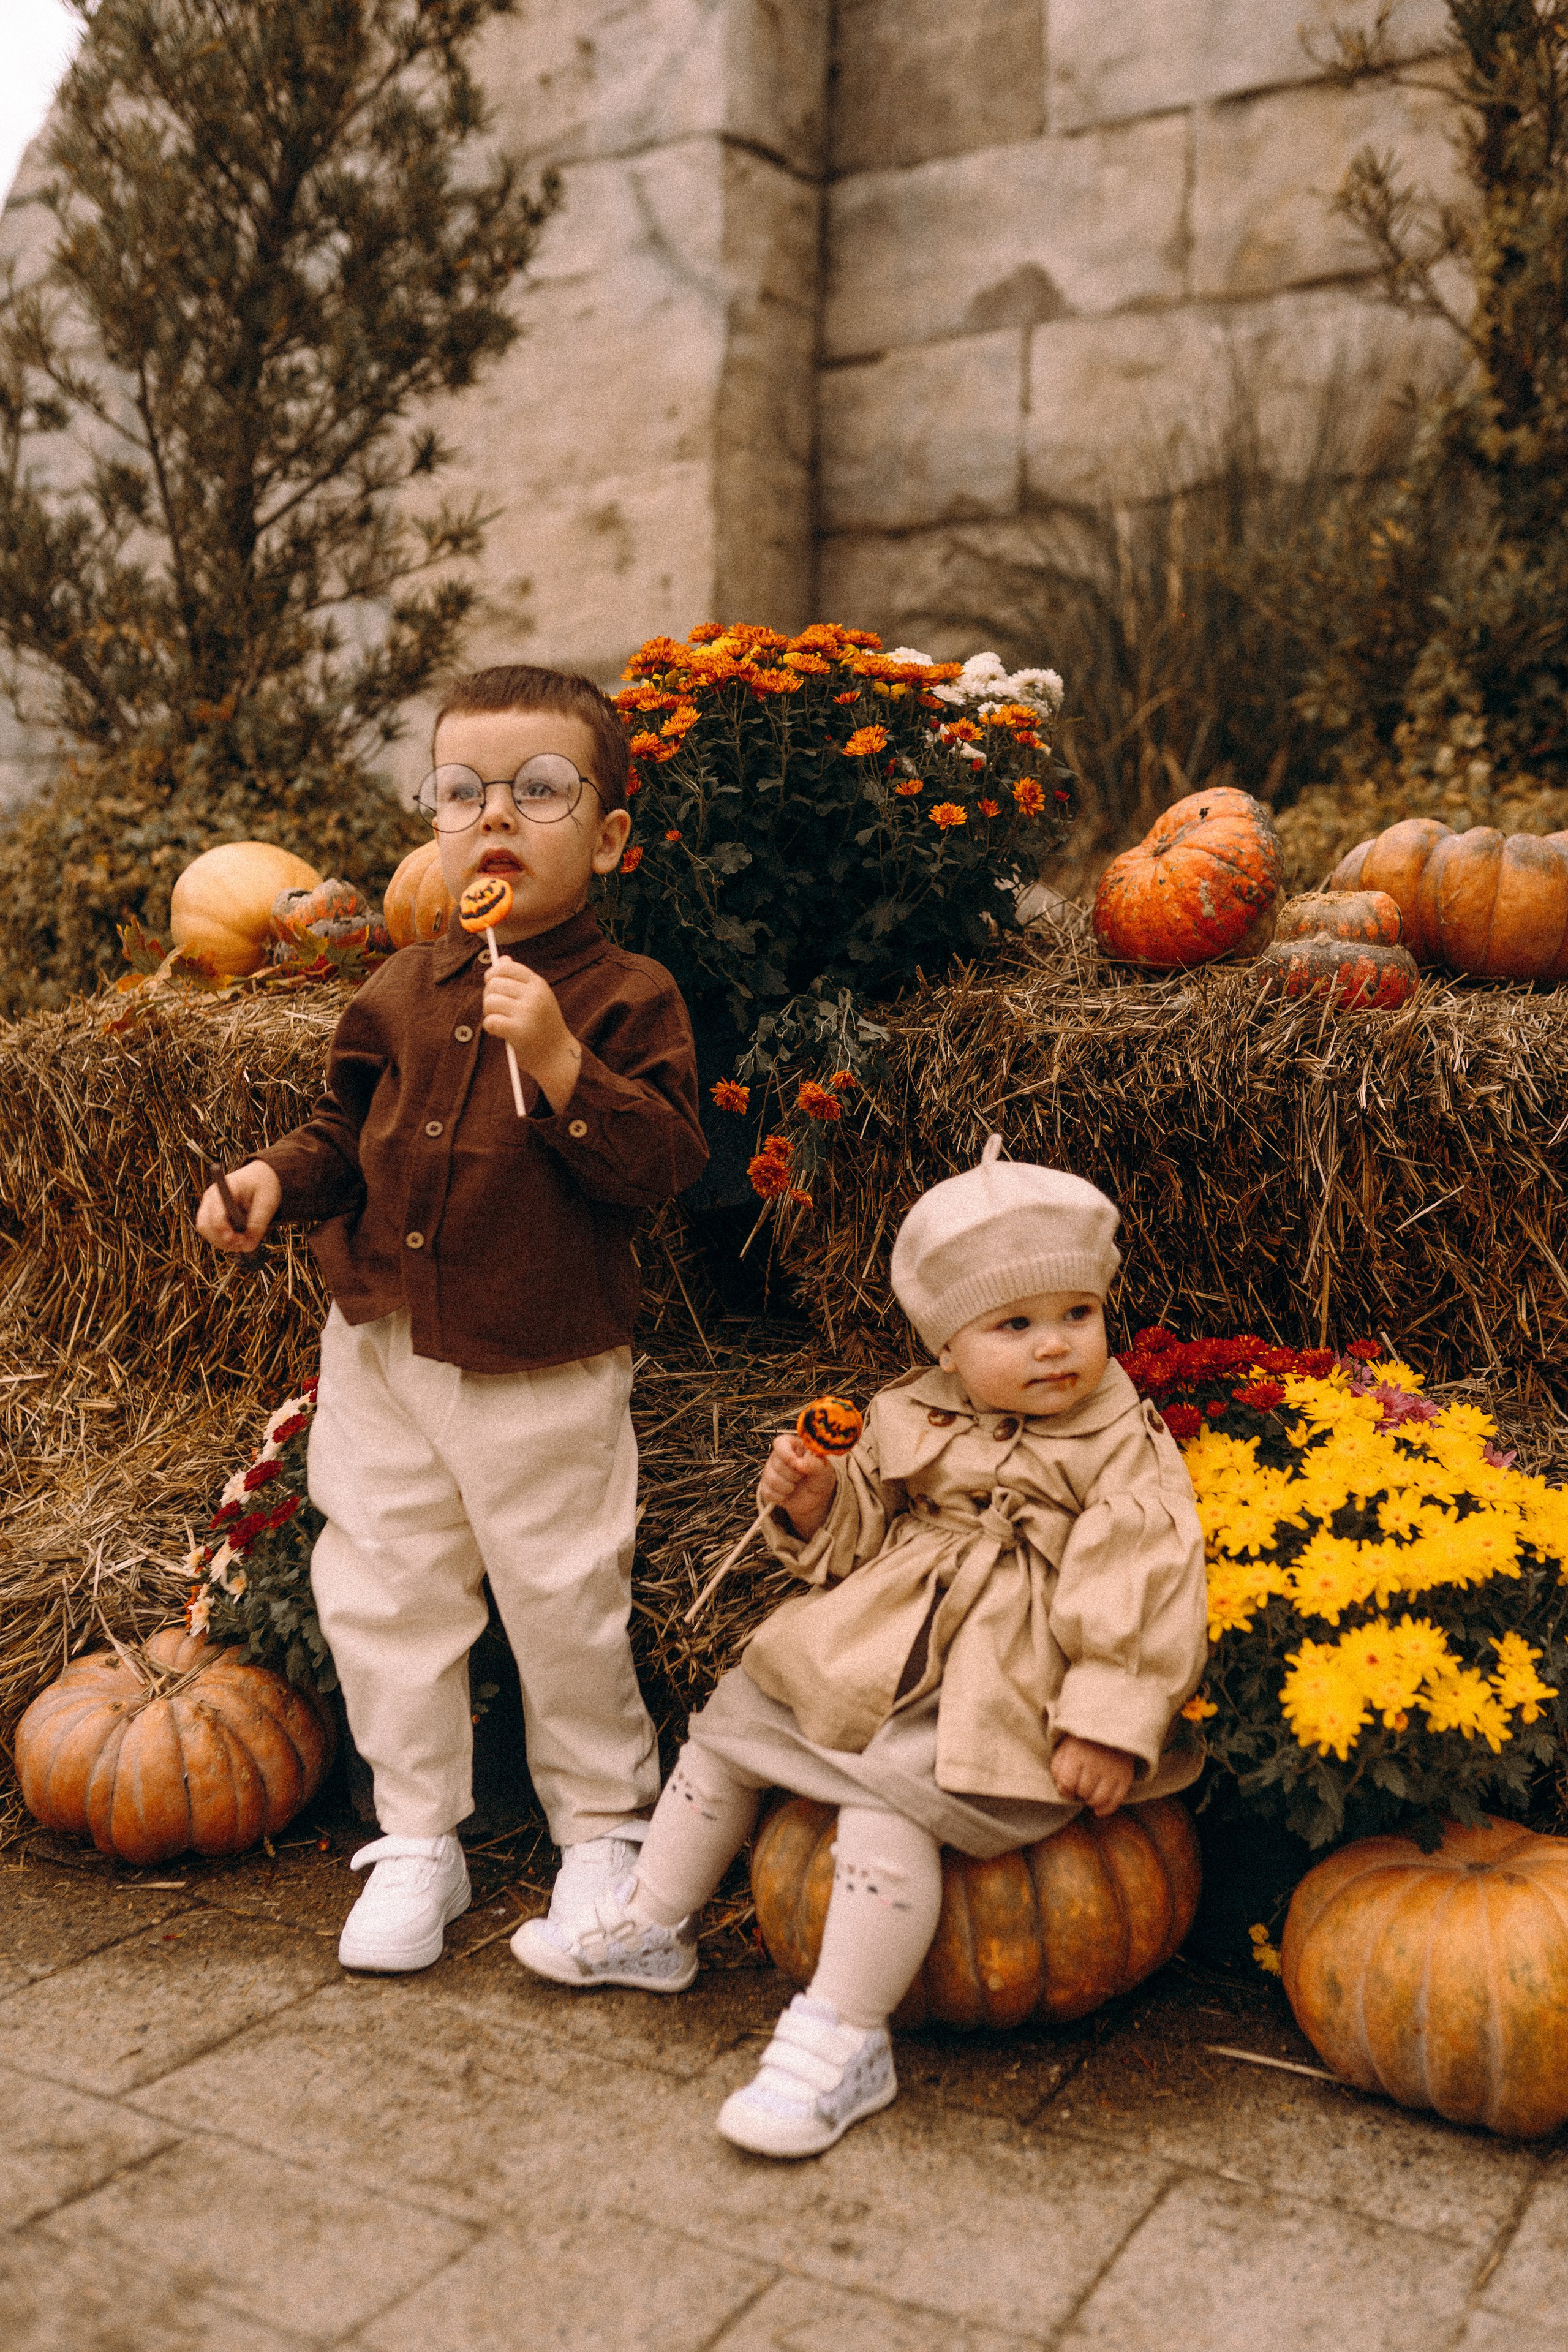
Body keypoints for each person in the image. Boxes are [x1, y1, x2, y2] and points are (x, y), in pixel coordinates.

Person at [514, 1137, 1208, 2157]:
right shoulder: (907, 1409)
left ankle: (843, 2034)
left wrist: (1108, 1721)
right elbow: (857, 1539)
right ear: (948, 1342)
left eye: (1077, 1315)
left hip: (1007, 1673)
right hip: (880, 1633)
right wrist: (810, 1498)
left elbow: (1141, 1591)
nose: (1055, 1346)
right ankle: (653, 1924)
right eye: (1014, 1324)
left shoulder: (1123, 1446)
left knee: (886, 1799)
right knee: (733, 1725)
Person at [195, 664, 707, 1971]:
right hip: (379, 1343)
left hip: (540, 1355)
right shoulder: (401, 988)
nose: (495, 817)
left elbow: (659, 1169)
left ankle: (601, 1829)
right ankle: (419, 1833)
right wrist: (270, 1182)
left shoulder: (624, 995)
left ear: (603, 839)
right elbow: (339, 1133)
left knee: (559, 1594)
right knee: (382, 1586)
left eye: (538, 791)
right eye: (462, 790)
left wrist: (556, 1060)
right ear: (433, 822)